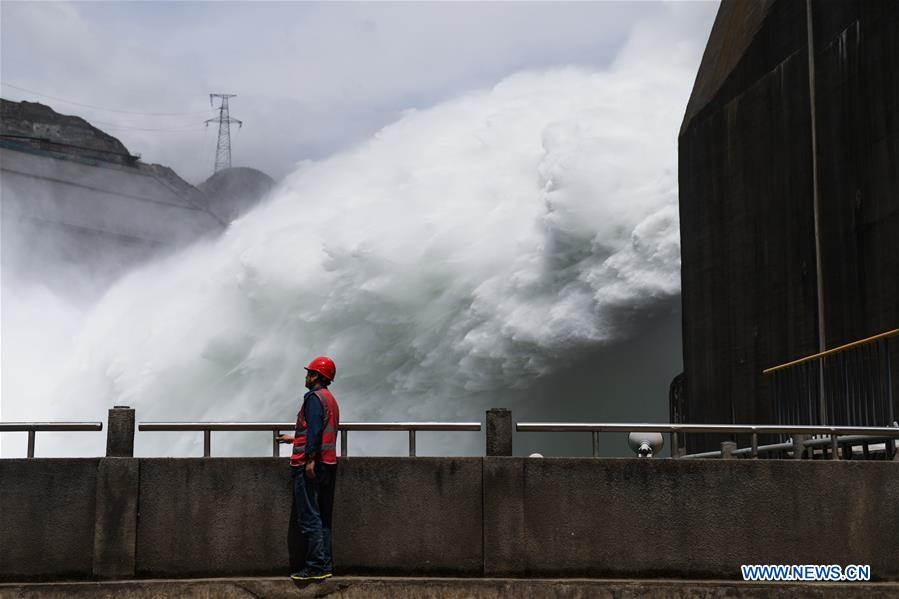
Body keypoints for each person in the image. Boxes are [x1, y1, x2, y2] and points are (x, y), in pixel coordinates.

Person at [276, 355, 340, 581]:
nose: (306, 376)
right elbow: (317, 431)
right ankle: (325, 564)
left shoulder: (313, 398)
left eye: (309, 373)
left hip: (311, 465)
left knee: (309, 516)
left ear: (316, 377)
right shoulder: (329, 399)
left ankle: (316, 567)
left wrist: (310, 460)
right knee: (321, 516)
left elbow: (314, 431)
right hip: (328, 464)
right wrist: (293, 439)